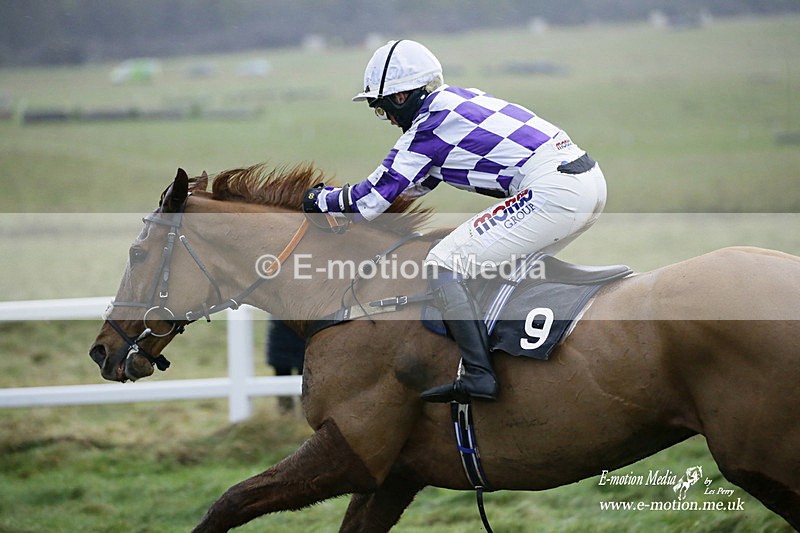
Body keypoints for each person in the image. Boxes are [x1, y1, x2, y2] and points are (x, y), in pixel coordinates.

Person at [303, 40, 606, 404]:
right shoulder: (456, 102)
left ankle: (480, 375)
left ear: (400, 98)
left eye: (382, 109)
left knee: (445, 262)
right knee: (503, 273)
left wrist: (316, 199)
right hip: (586, 181)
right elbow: (413, 186)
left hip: (554, 191)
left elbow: (369, 200)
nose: (388, 120)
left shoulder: (428, 128)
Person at [266, 320, 305, 414]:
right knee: (281, 377)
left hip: (304, 331)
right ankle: (286, 414)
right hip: (281, 332)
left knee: (307, 380)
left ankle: (306, 417)